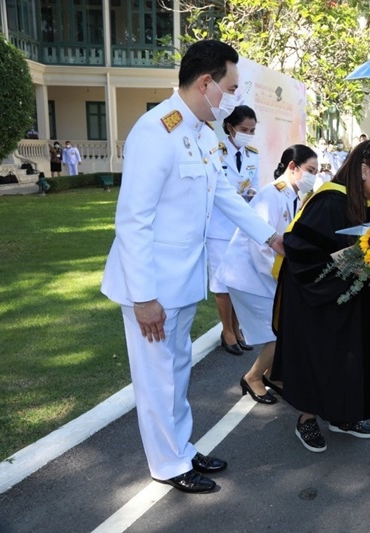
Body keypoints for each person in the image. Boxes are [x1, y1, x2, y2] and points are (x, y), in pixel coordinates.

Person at [100, 39, 284, 494]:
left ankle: (179, 446)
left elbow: (223, 195)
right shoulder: (155, 131)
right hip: (153, 288)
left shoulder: (200, 133)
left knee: (177, 372)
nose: (234, 97)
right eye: (231, 87)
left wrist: (270, 236)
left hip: (181, 284)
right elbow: (133, 222)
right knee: (158, 379)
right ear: (206, 83)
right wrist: (144, 297)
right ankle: (167, 463)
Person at [271, 138, 370, 453]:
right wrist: (348, 257)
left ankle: (344, 415)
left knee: (353, 356)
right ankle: (306, 418)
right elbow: (299, 250)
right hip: (318, 298)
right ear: (365, 169)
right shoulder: (329, 201)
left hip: (357, 297)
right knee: (322, 355)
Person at [218, 145, 318, 404]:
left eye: (316, 172)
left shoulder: (293, 195)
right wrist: (279, 279)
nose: (313, 177)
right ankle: (253, 377)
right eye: (309, 170)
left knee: (283, 326)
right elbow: (259, 244)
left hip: (261, 273)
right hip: (248, 273)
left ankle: (271, 373)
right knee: (281, 329)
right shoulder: (272, 194)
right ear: (292, 167)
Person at [205, 105, 260, 357]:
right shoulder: (215, 151)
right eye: (243, 129)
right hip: (218, 226)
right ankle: (226, 331)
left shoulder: (252, 154)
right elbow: (213, 189)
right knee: (221, 283)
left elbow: (254, 185)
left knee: (238, 281)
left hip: (241, 227)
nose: (248, 134)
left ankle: (237, 329)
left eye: (252, 130)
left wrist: (251, 194)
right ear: (229, 127)